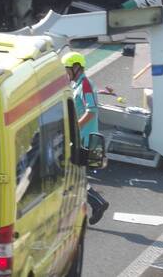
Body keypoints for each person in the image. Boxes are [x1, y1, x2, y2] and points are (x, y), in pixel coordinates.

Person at [62, 52, 110, 225]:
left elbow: (92, 111)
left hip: (83, 141)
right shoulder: (77, 85)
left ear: (75, 67)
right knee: (72, 175)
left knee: (71, 175)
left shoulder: (86, 85)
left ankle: (96, 203)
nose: (65, 73)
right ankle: (94, 203)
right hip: (79, 138)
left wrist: (75, 129)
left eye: (67, 69)